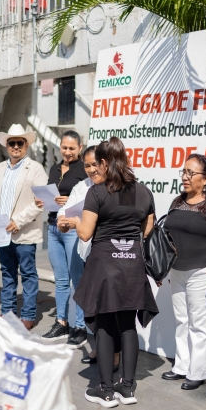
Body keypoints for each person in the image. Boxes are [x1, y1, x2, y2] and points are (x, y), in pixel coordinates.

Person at [66, 137, 159, 408]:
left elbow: (85, 233)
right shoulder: (143, 191)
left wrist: (73, 221)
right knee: (128, 325)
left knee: (105, 326)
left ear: (105, 162)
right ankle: (127, 388)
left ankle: (106, 390)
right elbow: (148, 228)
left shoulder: (96, 192)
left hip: (105, 265)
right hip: (132, 264)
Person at [161, 154, 206, 390]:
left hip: (202, 270)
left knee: (198, 322)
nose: (185, 177)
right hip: (177, 270)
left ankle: (198, 371)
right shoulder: (177, 202)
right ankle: (181, 366)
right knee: (181, 320)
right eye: (183, 172)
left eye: (191, 173)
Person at [56, 145, 120, 368]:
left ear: (105, 164)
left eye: (95, 164)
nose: (92, 169)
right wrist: (63, 222)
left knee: (109, 308)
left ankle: (114, 354)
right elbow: (63, 214)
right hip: (88, 254)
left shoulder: (114, 188)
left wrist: (76, 223)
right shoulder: (80, 187)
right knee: (95, 307)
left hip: (111, 256)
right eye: (87, 165)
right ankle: (99, 348)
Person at [0, 124, 48, 331]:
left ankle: (28, 315)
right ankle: (8, 312)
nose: (15, 146)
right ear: (6, 145)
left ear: (27, 145)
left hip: (25, 231)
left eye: (20, 142)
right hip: (2, 232)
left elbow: (41, 201)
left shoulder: (36, 168)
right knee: (7, 273)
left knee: (28, 274)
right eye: (12, 143)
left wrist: (17, 221)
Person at [39, 130, 88, 346]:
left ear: (80, 148)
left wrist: (68, 200)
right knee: (60, 279)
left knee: (77, 278)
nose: (67, 152)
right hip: (52, 226)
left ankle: (80, 326)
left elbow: (87, 198)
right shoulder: (54, 168)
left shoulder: (83, 170)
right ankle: (61, 322)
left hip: (71, 227)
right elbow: (50, 195)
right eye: (64, 147)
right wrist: (42, 201)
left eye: (72, 148)